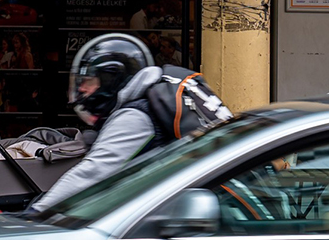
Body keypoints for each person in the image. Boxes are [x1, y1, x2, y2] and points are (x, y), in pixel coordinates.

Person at [28, 33, 230, 213]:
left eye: (88, 81)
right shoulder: (145, 106)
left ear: (110, 79)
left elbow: (92, 173)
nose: (82, 90)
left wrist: (37, 212)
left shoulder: (136, 116)